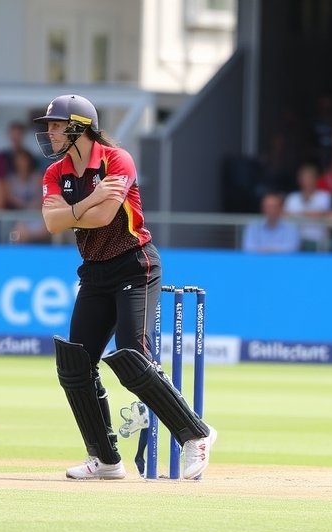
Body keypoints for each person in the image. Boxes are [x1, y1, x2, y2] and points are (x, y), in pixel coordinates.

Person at [34, 94, 216, 480]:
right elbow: (51, 224)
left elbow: (102, 218)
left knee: (132, 356)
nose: (48, 132)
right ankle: (105, 459)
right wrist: (90, 200)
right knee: (75, 365)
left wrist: (76, 210)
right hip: (94, 272)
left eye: (55, 124)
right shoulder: (55, 174)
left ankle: (195, 434)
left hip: (135, 265)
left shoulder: (117, 159)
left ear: (78, 127)